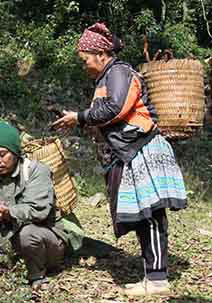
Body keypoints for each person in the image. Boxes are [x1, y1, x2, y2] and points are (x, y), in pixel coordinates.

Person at [52, 23, 187, 296]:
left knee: (150, 214)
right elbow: (105, 113)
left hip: (142, 147)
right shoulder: (105, 78)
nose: (84, 64)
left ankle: (158, 279)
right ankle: (153, 274)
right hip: (130, 150)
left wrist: (79, 116)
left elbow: (115, 108)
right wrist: (80, 119)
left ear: (101, 53)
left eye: (85, 59)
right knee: (141, 215)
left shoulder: (119, 72)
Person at [0, 122, 84, 290]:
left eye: (2, 154)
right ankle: (13, 268)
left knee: (28, 234)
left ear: (15, 152)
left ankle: (37, 276)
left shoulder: (36, 171)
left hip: (45, 240)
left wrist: (7, 212)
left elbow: (38, 210)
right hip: (9, 246)